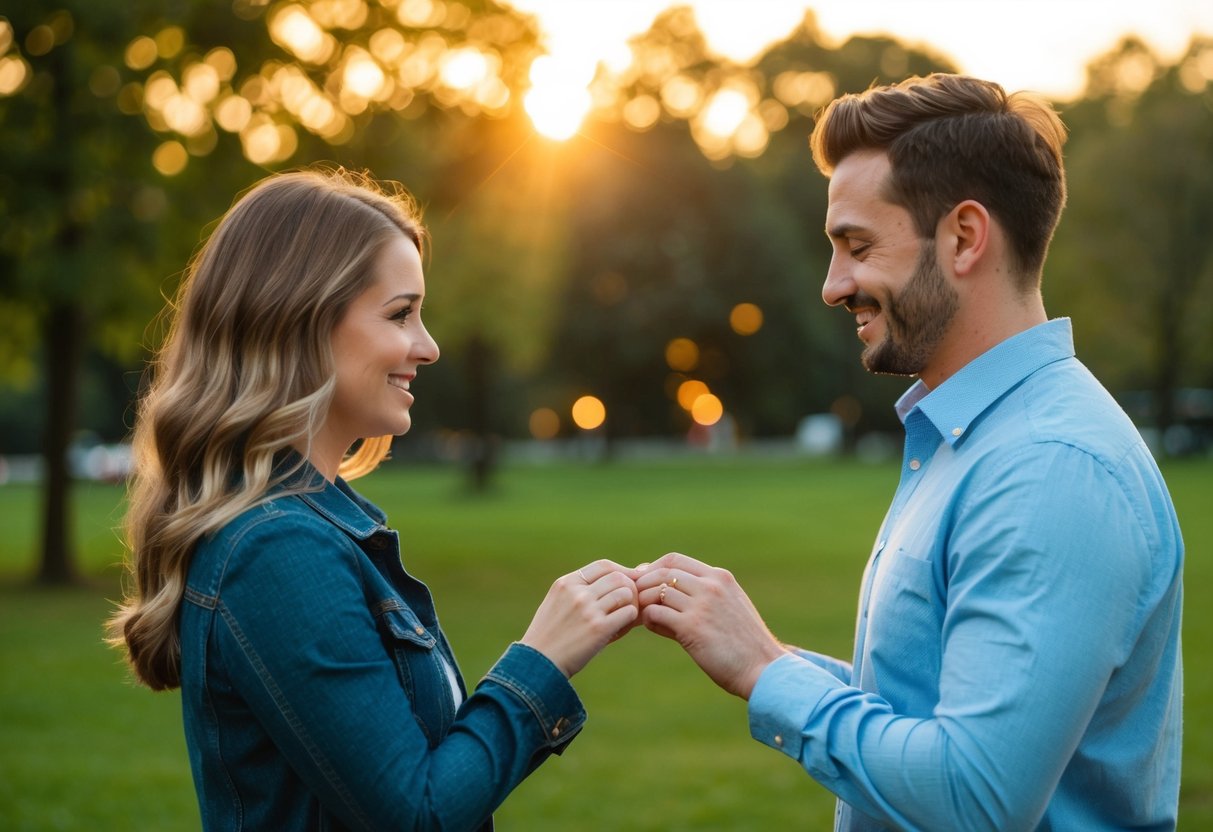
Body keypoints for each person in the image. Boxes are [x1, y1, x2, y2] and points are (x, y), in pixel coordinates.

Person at [635, 73, 1184, 831]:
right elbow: (927, 716)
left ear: (963, 237)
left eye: (856, 247)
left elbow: (972, 798)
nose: (833, 286)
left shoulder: (1049, 465)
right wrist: (762, 654)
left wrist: (766, 673)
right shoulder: (976, 441)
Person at [107, 168, 640, 831]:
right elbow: (417, 814)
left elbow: (421, 784)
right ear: (297, 321)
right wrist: (541, 662)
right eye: (400, 314)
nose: (428, 346)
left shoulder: (309, 528)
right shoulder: (277, 549)